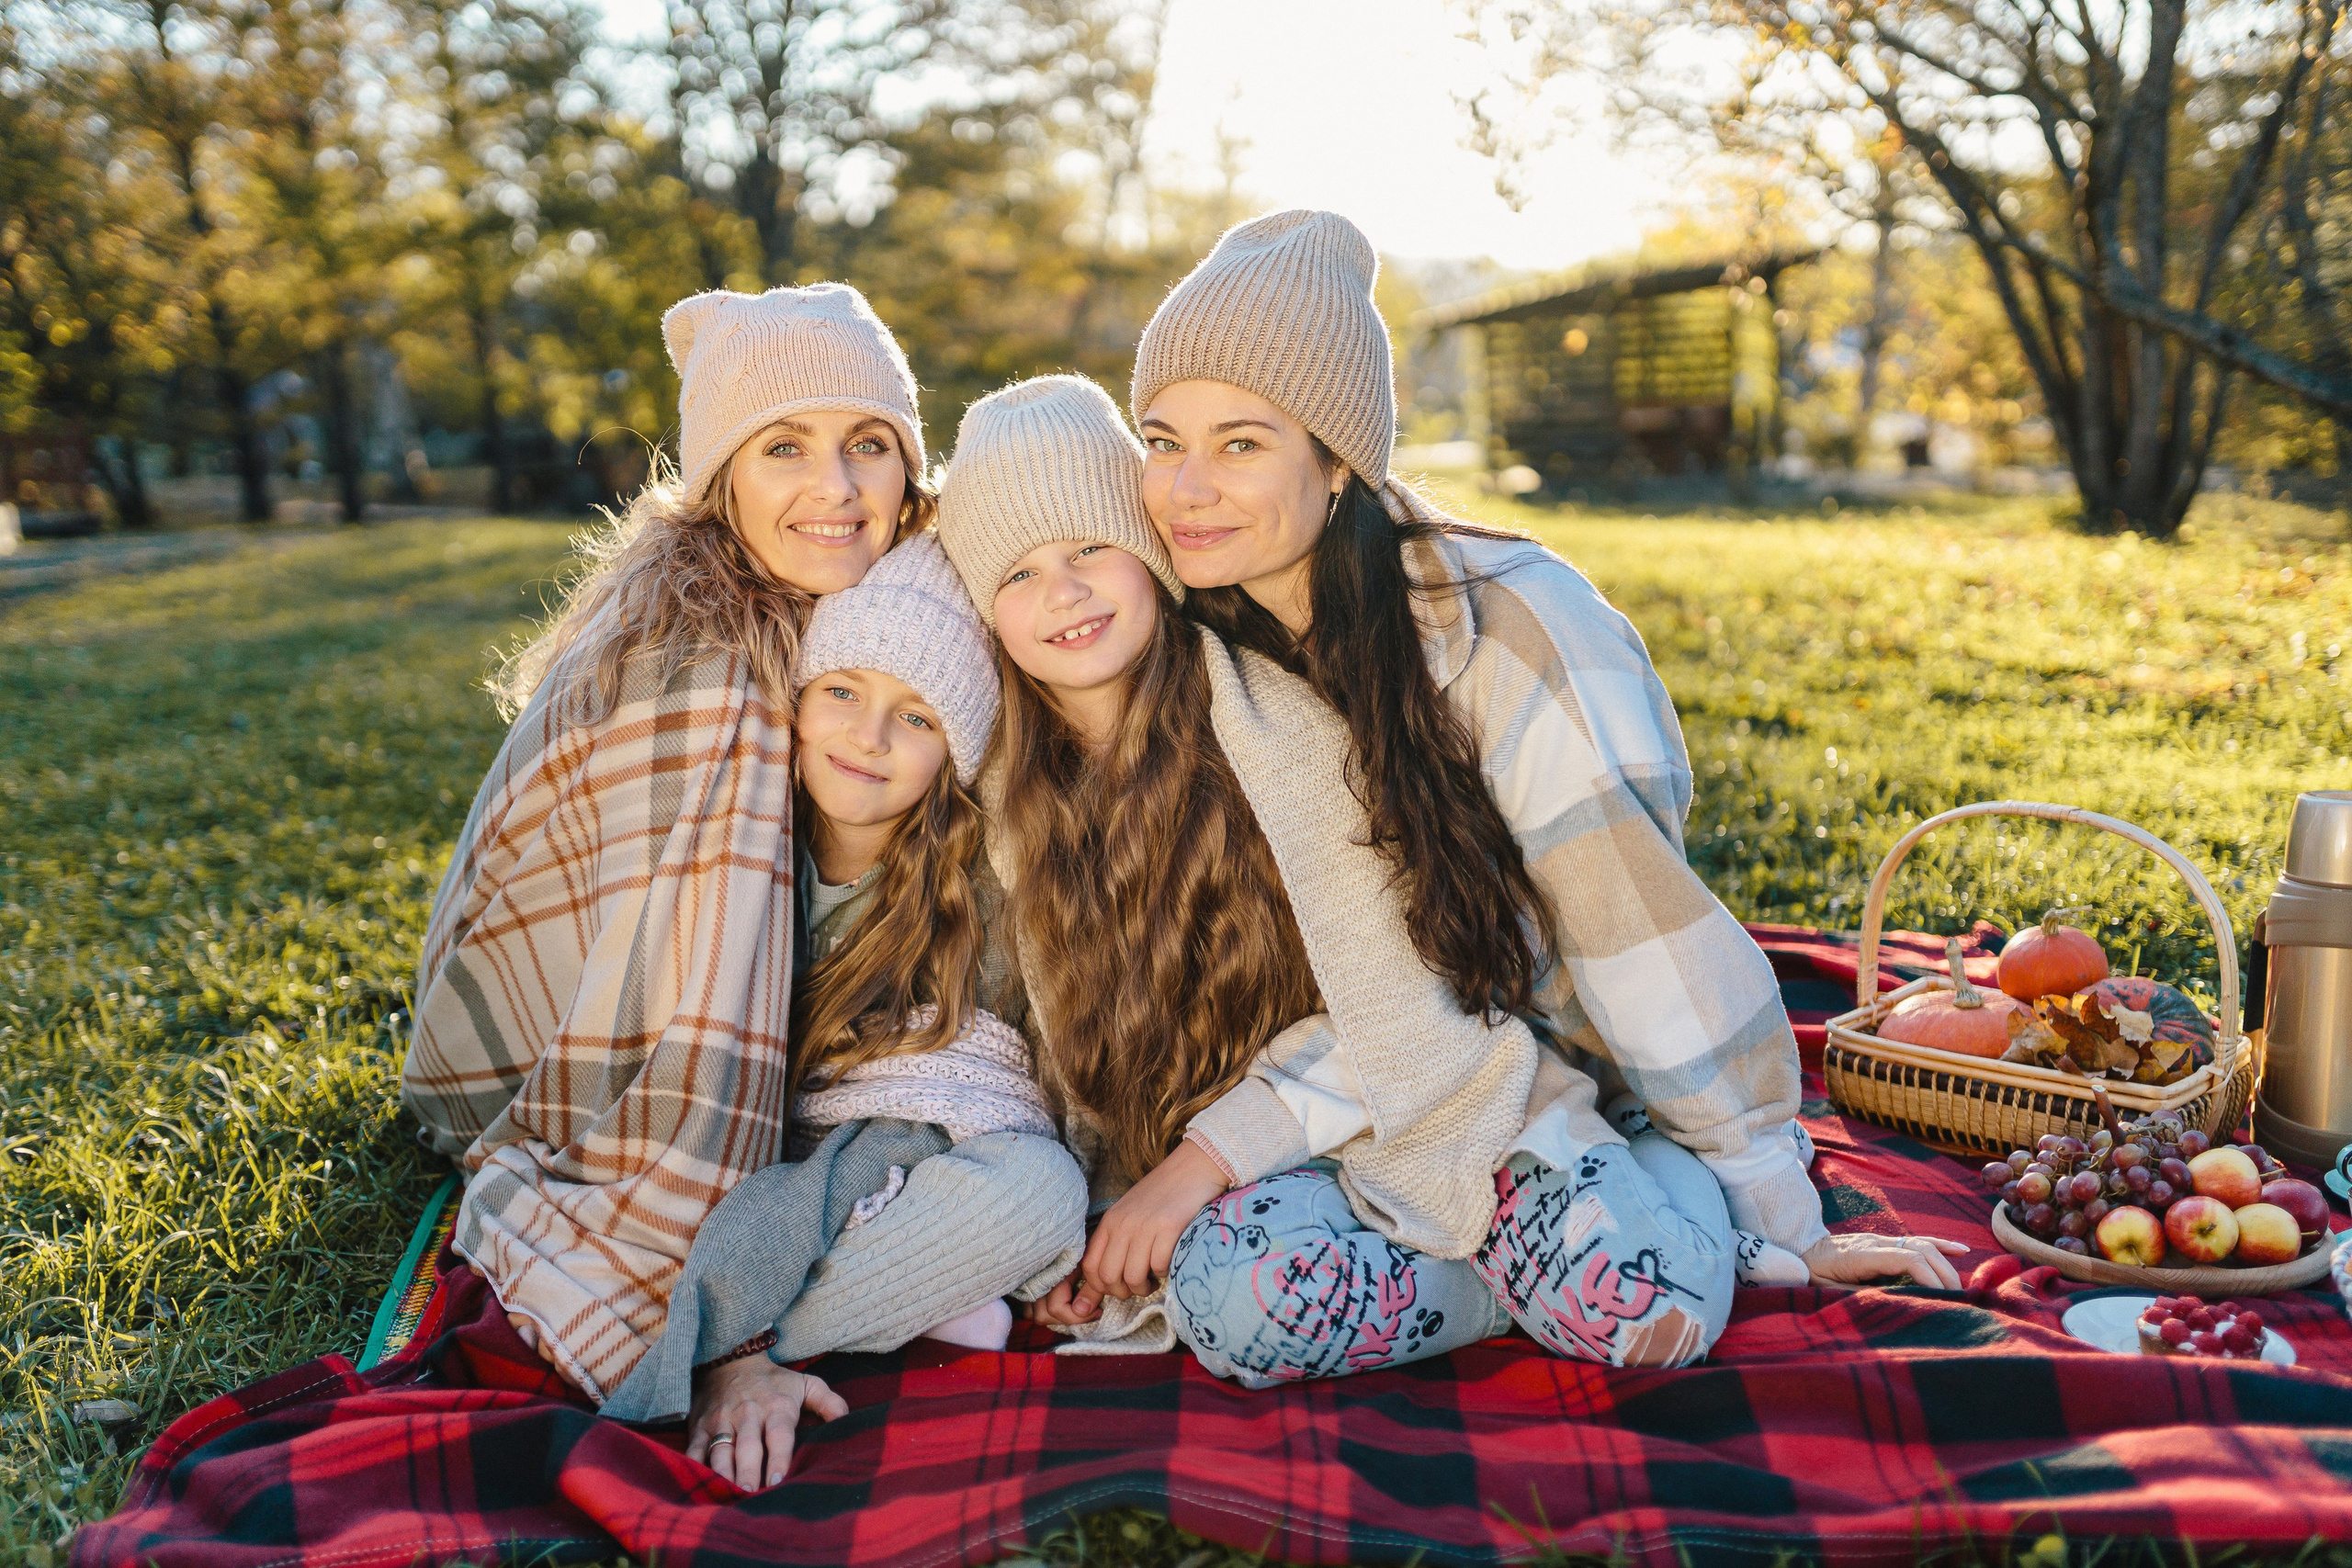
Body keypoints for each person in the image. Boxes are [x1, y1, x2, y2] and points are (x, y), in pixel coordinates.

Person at [1109, 209, 1966, 1382]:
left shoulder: (1509, 630)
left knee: (1643, 1315)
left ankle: (1649, 1223)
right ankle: (1507, 1272)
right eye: (1162, 439)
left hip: (1553, 1083)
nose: (1187, 489)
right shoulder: (1210, 640)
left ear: (1340, 458)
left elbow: (1635, 928)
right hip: (1368, 1093)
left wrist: (1777, 1202)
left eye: (1242, 444)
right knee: (1232, 1305)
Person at [937, 375, 1773, 1386]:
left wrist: (1201, 1163)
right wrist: (1105, 1214)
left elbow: (1401, 992)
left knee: (1651, 1318)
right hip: (1269, 1171)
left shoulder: (1271, 726)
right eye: (1017, 573)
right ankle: (1488, 1293)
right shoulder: (1004, 801)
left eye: (1088, 549)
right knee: (1229, 1304)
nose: (1061, 593)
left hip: (1422, 1102)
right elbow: (1038, 1046)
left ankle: (1651, 1175)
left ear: (1149, 555)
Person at [400, 281, 934, 1403]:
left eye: (869, 445)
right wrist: (715, 1338)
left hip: (500, 1019)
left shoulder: (812, 598)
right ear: (721, 477)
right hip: (531, 1069)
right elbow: (697, 1024)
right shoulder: (712, 677)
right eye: (784, 446)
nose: (836, 489)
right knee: (915, 1159)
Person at [595, 531, 1084, 1492]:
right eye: (844, 692)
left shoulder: (980, 884)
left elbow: (1013, 1064)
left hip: (912, 1142)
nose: (868, 736)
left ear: (956, 752)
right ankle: (826, 1321)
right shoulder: (738, 838)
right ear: (800, 697)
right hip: (752, 1150)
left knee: (1041, 1191)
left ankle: (759, 1344)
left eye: (916, 717)